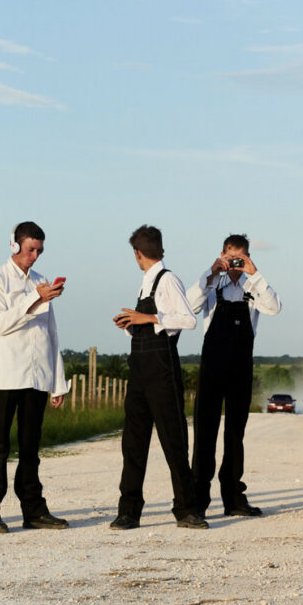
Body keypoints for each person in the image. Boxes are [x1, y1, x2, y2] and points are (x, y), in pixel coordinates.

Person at [111, 225, 207, 530]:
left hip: (163, 371)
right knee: (133, 443)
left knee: (174, 440)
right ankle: (128, 512)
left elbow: (188, 320)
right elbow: (156, 324)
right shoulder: (145, 283)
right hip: (139, 372)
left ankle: (187, 509)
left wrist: (148, 317)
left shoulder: (168, 280)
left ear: (137, 254)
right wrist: (130, 324)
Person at [0, 221, 70, 533]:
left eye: (39, 251)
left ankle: (33, 510)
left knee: (30, 447)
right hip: (4, 377)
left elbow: (51, 334)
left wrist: (58, 382)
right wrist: (34, 299)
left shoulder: (42, 281)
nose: (34, 256)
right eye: (30, 249)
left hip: (36, 378)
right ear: (14, 245)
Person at [187, 234, 281, 518]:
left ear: (248, 258)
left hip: (241, 364)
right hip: (213, 364)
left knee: (235, 432)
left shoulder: (254, 288)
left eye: (240, 259)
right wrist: (211, 271)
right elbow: (189, 306)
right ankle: (198, 498)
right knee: (205, 429)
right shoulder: (212, 285)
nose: (235, 264)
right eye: (231, 258)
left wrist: (256, 274)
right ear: (222, 255)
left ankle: (233, 497)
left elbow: (275, 308)